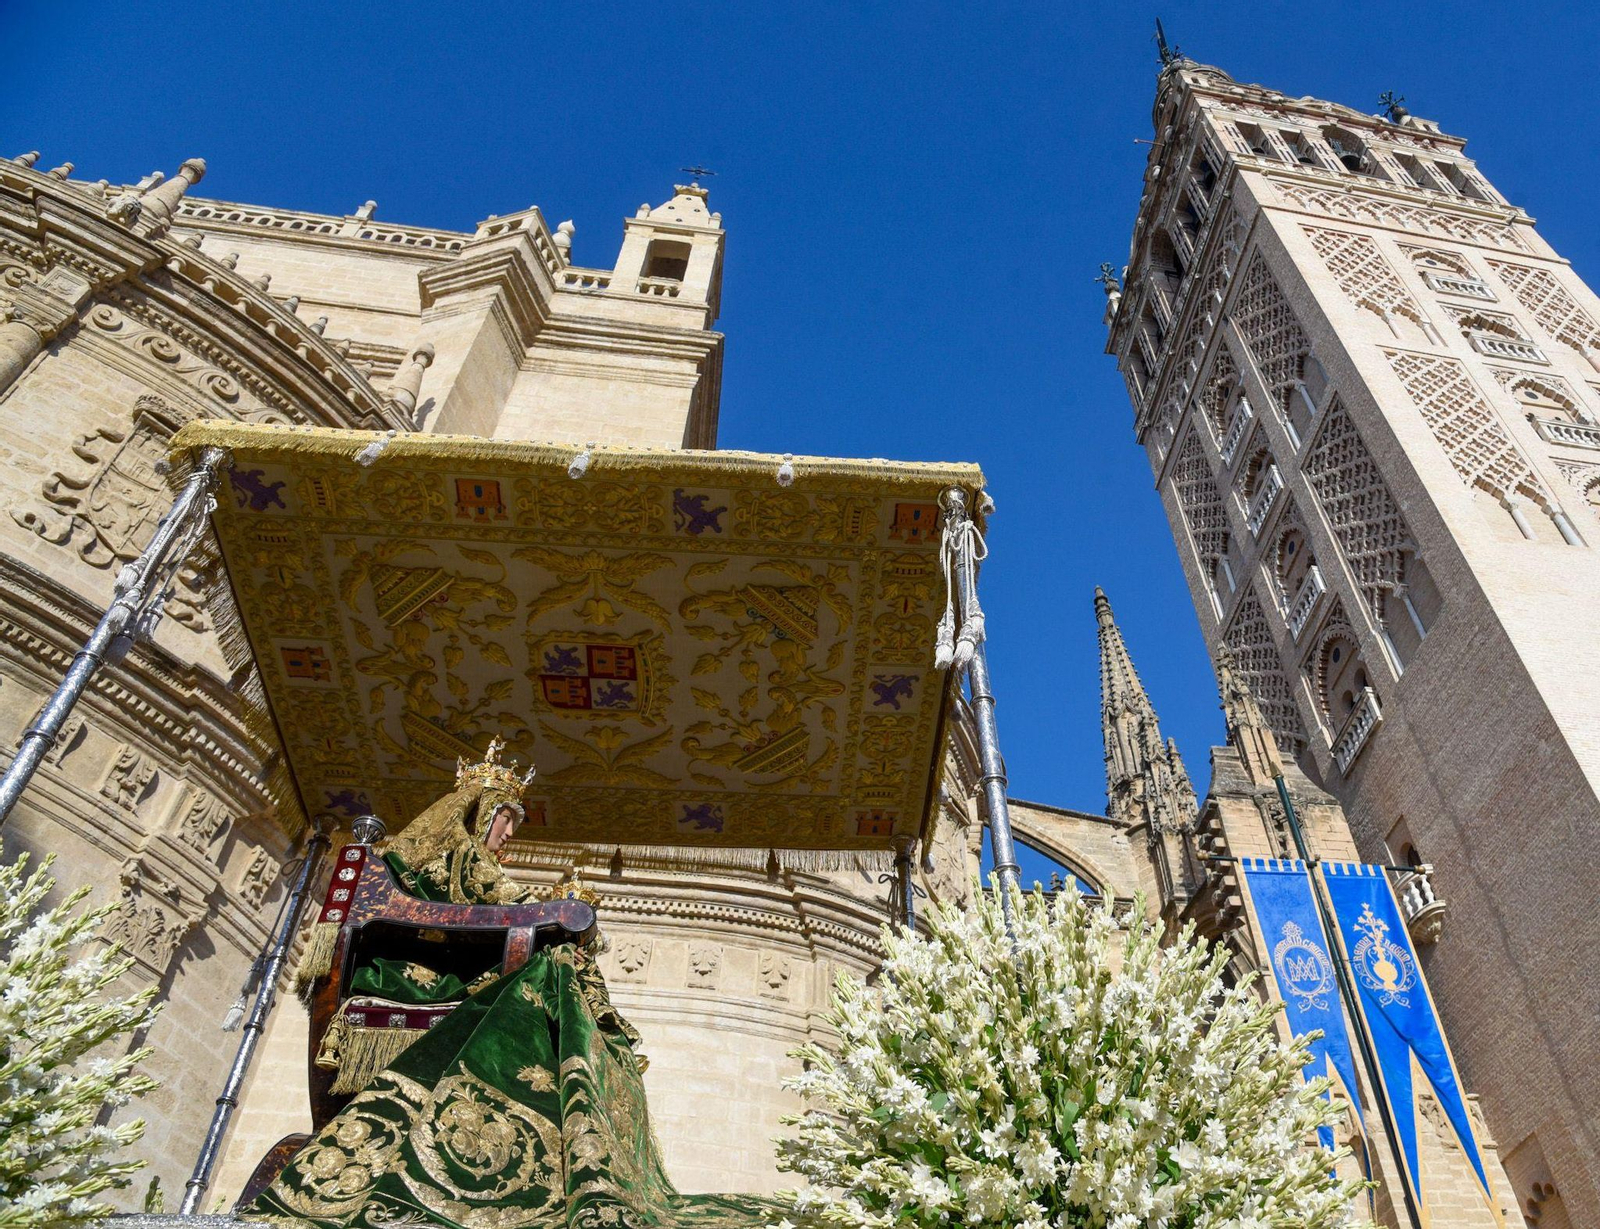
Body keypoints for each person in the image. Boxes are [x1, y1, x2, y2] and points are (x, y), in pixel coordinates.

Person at [247, 740, 768, 1229]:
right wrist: (557, 911)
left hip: (456, 967)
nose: (510, 833)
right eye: (505, 820)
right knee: (552, 973)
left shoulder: (474, 862)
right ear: (481, 813)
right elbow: (464, 911)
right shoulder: (453, 854)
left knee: (556, 968)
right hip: (417, 978)